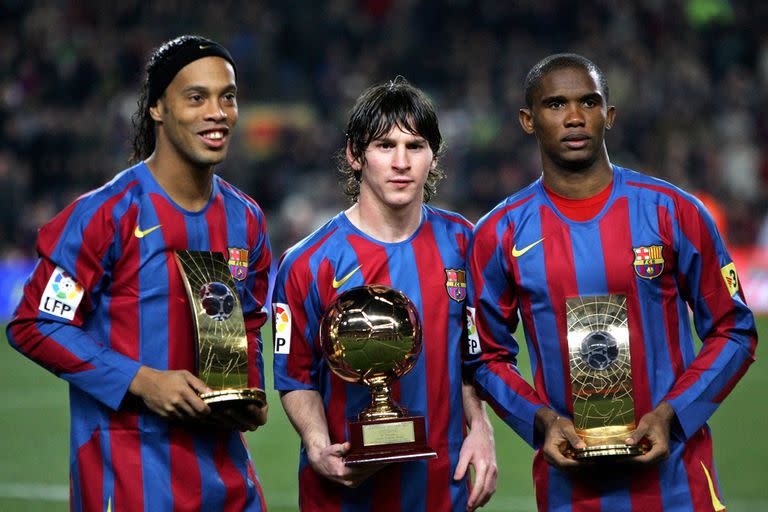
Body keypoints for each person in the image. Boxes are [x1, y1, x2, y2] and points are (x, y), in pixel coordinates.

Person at [465, 53, 757, 511]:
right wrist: (541, 421)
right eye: (556, 104)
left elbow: (735, 329)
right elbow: (485, 355)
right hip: (570, 488)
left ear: (609, 114)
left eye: (589, 101)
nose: (575, 117)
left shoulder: (672, 212)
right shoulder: (499, 233)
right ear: (528, 119)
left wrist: (672, 416)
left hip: (678, 482)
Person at [6, 35, 271, 510]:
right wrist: (143, 380)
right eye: (196, 97)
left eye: (227, 97)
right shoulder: (108, 214)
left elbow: (248, 319)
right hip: (128, 477)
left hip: (227, 477)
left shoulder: (245, 218)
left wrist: (247, 391)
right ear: (157, 109)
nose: (217, 112)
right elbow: (35, 324)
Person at [272, 77, 497, 511]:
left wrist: (481, 428)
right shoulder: (307, 262)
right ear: (355, 156)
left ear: (433, 157)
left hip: (442, 490)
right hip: (342, 496)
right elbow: (294, 375)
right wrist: (319, 447)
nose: (401, 162)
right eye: (384, 146)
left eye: (415, 146)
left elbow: (474, 359)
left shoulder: (465, 245)